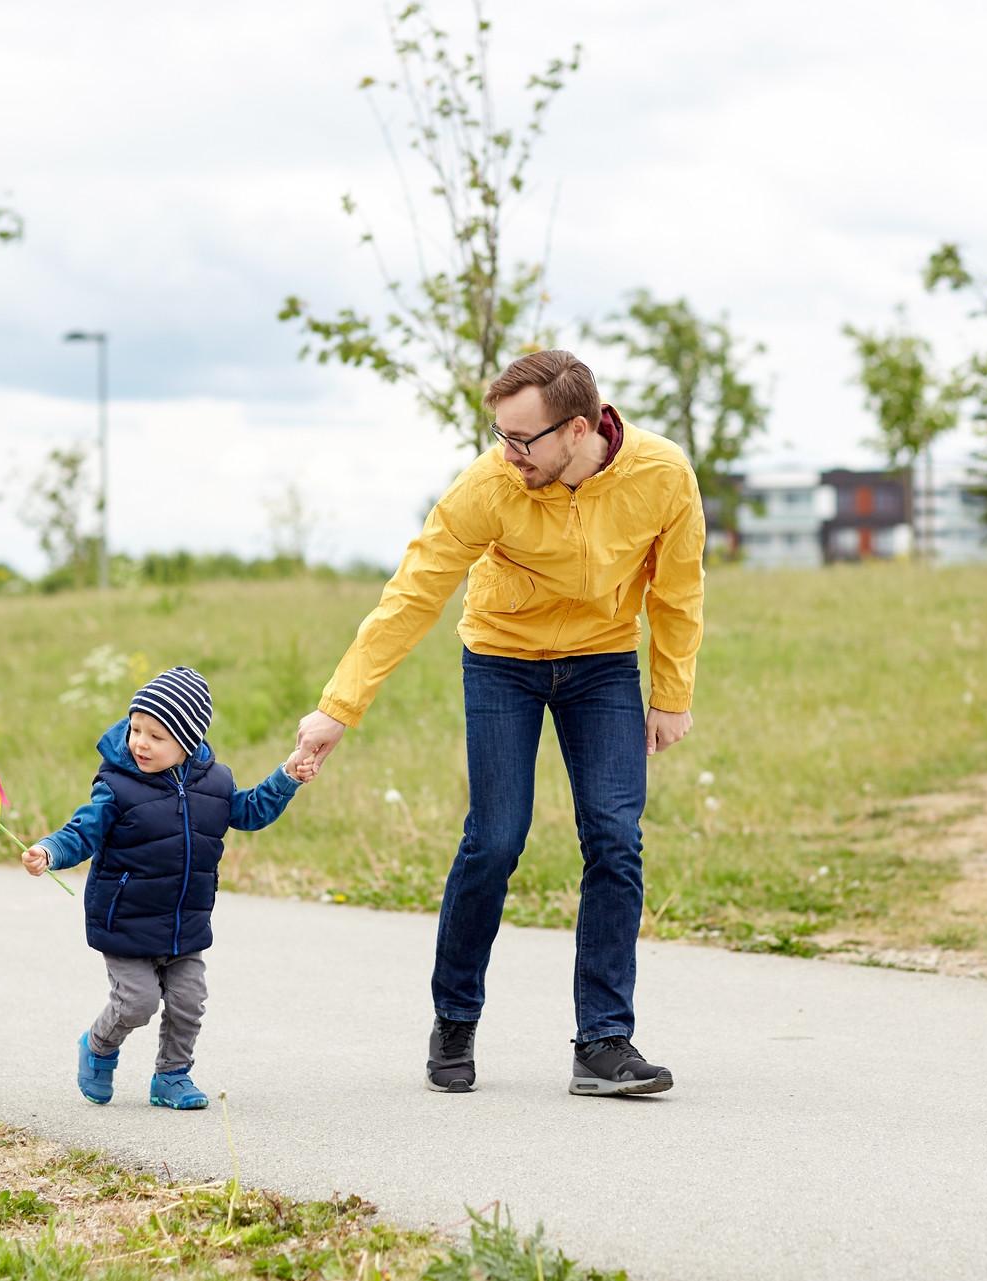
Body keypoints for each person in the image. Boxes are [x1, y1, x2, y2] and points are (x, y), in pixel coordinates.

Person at [294, 350, 705, 1097]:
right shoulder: (490, 484)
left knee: (616, 835)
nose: (507, 453)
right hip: (503, 659)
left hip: (603, 661)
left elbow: (677, 589)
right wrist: (337, 706)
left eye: (523, 438)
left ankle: (604, 1042)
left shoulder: (663, 474)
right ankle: (454, 1018)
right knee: (496, 837)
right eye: (500, 434)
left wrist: (671, 691)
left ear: (577, 430)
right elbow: (413, 593)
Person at [27, 666, 318, 1110]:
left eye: (156, 736)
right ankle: (98, 1046)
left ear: (188, 742)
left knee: (188, 1002)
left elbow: (251, 811)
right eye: (135, 729)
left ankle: (172, 1076)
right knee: (136, 1003)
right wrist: (50, 850)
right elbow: (82, 830)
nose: (140, 742)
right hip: (126, 919)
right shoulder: (116, 786)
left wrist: (287, 777)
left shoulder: (216, 783)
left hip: (185, 921)